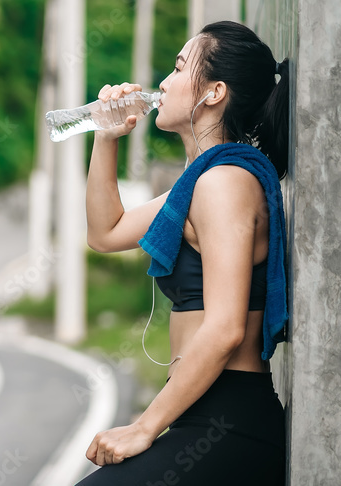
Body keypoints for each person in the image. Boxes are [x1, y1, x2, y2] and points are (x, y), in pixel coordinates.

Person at [75, 21, 289, 485]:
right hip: (203, 416)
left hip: (230, 424)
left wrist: (143, 427)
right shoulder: (199, 183)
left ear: (214, 92)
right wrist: (106, 137)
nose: (164, 82)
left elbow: (227, 328)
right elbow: (105, 232)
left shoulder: (225, 183)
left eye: (177, 68)